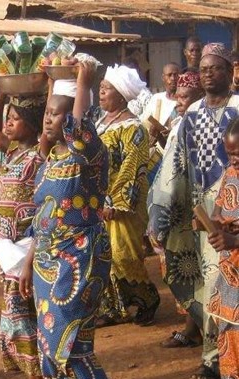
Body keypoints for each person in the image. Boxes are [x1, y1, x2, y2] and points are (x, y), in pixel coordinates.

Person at [147, 43, 239, 379]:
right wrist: (162, 209)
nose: (207, 73)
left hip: (234, 210)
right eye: (203, 68)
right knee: (206, 287)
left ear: (230, 71)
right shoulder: (194, 113)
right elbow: (175, 163)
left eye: (214, 68)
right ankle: (214, 357)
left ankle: (220, 361)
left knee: (224, 286)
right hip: (202, 215)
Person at [19, 62, 113, 379]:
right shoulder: (51, 160)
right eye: (47, 112)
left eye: (57, 114)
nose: (48, 118)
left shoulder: (89, 156)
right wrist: (29, 262)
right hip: (47, 263)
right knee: (48, 344)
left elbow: (79, 131)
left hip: (81, 259)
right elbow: (41, 219)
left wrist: (84, 82)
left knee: (71, 346)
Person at [0, 92, 49, 379]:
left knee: (19, 310)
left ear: (32, 125)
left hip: (29, 244)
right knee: (23, 309)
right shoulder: (10, 152)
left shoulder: (38, 154)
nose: (8, 124)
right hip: (8, 248)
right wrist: (0, 95)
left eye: (15, 119)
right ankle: (40, 375)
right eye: (8, 118)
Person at [94, 64, 160, 327]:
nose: (101, 92)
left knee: (124, 255)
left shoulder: (134, 128)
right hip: (99, 201)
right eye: (100, 87)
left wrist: (115, 202)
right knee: (103, 255)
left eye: (107, 89)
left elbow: (133, 167)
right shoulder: (100, 123)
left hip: (123, 205)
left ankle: (148, 298)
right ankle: (113, 308)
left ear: (121, 95)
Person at [148, 71, 205, 349]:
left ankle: (195, 331)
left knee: (194, 271)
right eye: (178, 97)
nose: (179, 101)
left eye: (185, 97)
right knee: (182, 269)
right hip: (176, 211)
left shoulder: (197, 123)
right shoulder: (181, 124)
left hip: (190, 210)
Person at [207, 117, 239, 379]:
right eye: (230, 154)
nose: (234, 160)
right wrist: (214, 223)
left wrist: (233, 239)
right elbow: (219, 209)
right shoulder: (230, 174)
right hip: (230, 278)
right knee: (228, 343)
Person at [143, 62, 180, 184]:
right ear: (163, 78)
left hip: (173, 155)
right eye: (169, 75)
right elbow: (144, 123)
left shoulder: (182, 103)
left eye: (176, 75)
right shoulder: (156, 99)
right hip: (154, 155)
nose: (173, 79)